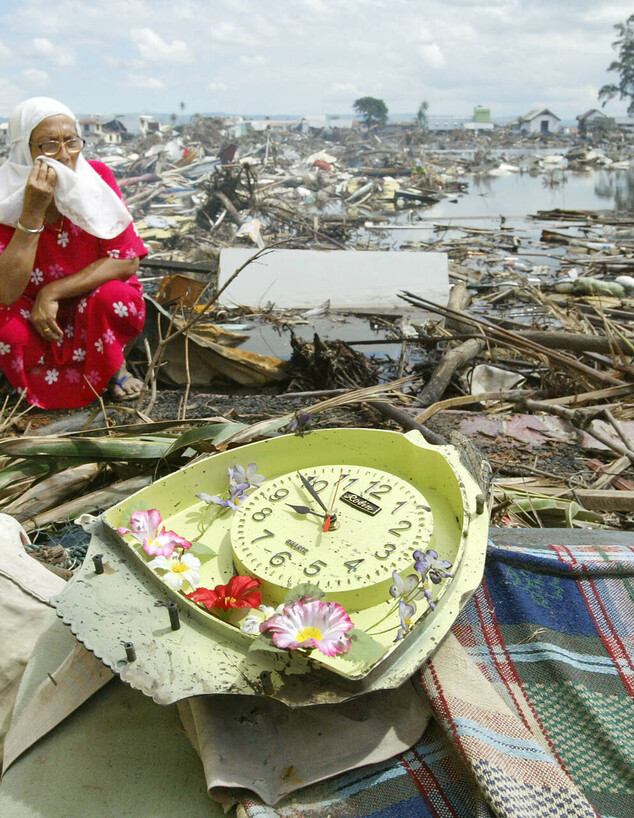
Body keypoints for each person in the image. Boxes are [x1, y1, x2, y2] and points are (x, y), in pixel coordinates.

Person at [0, 97, 147, 409]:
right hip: (28, 310)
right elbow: (6, 291)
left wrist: (52, 292)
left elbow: (126, 259)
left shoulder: (96, 179)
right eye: (49, 145)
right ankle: (26, 380)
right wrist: (32, 212)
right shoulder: (5, 198)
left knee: (115, 297)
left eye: (71, 142)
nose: (65, 156)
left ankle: (112, 366)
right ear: (23, 149)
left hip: (89, 302)